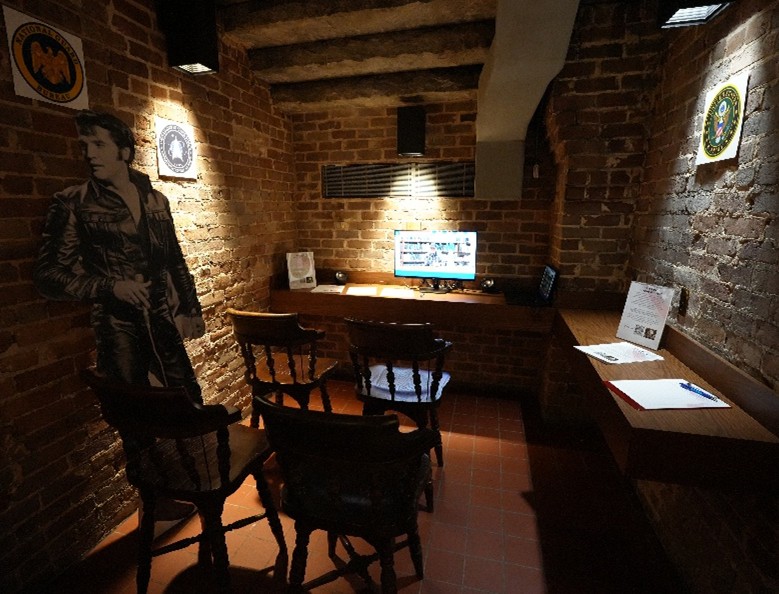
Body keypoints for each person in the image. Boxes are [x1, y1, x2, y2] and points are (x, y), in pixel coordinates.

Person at [34, 110, 204, 401]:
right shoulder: (73, 202)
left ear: (124, 151)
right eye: (84, 146)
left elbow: (173, 258)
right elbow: (48, 276)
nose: (89, 154)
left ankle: (193, 446)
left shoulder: (155, 199)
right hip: (117, 325)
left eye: (98, 145)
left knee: (188, 396)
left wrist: (191, 308)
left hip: (160, 314)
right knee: (132, 406)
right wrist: (110, 286)